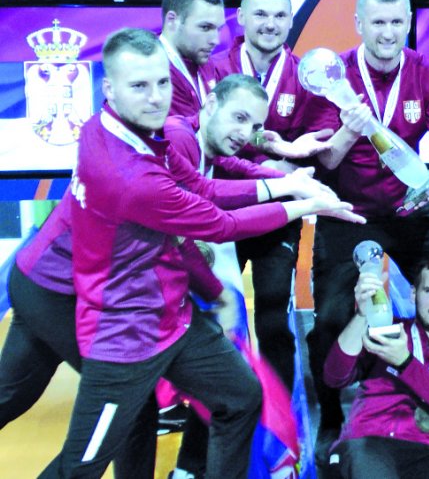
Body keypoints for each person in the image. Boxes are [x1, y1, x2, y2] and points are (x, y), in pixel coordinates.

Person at [38, 28, 350, 479]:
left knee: (239, 394)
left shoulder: (140, 134)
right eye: (140, 86)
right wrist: (305, 203)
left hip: (168, 313)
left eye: (162, 83)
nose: (156, 97)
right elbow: (219, 223)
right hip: (124, 331)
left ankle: (191, 467)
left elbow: (210, 181)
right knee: (83, 463)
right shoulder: (145, 165)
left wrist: (284, 181)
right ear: (110, 89)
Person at [309, 0, 429, 462]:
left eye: (397, 22)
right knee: (332, 318)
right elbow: (325, 160)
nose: (388, 32)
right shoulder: (334, 75)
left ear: (409, 23)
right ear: (359, 24)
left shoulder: (426, 72)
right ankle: (332, 418)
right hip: (349, 213)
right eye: (378, 22)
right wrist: (349, 129)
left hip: (411, 210)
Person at [206, 0, 338, 390]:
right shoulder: (214, 70)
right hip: (217, 211)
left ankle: (280, 413)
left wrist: (291, 158)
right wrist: (274, 162)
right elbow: (205, 143)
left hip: (277, 215)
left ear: (291, 20)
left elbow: (319, 142)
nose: (270, 24)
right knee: (215, 313)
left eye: (280, 15)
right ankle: (218, 404)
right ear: (241, 17)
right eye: (260, 14)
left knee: (272, 315)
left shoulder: (306, 77)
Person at [323, 258, 429, 479]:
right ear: (413, 294)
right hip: (368, 441)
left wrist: (405, 362)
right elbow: (334, 376)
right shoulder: (386, 330)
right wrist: (362, 316)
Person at [160, 0, 226, 117]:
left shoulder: (205, 62)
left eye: (219, 29)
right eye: (205, 27)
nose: (216, 40)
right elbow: (197, 129)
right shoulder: (155, 71)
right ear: (172, 20)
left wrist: (262, 139)